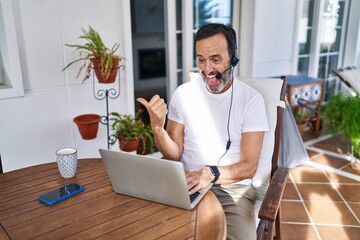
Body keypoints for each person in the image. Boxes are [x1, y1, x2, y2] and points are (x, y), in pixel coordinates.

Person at [137, 23, 268, 240]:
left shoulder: (251, 100)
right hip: (186, 184)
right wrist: (158, 129)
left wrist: (210, 173)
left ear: (234, 57)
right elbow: (174, 153)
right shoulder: (183, 94)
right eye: (201, 59)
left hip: (231, 190)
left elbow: (250, 167)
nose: (207, 70)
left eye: (215, 59)